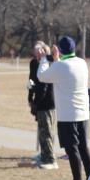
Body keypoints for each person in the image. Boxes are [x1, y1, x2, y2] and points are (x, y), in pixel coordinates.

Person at [38, 35, 90, 180]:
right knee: (84, 148)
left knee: (72, 150)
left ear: (60, 50)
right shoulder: (81, 63)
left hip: (68, 116)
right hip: (83, 113)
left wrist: (44, 59)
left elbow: (42, 76)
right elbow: (61, 71)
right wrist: (57, 60)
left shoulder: (60, 65)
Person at [29, 41, 58, 169]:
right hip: (41, 103)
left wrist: (36, 102)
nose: (37, 54)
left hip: (47, 103)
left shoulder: (48, 64)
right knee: (42, 133)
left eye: (40, 52)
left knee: (47, 132)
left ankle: (50, 159)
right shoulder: (39, 63)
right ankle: (44, 155)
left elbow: (44, 86)